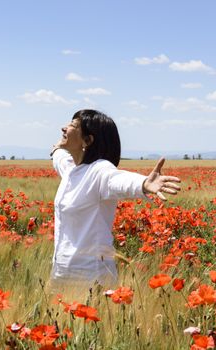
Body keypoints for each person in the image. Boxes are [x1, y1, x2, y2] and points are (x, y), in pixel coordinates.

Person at [49, 109, 181, 289]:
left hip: (90, 278)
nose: (64, 128)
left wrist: (143, 183)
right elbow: (60, 159)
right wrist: (57, 149)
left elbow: (117, 180)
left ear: (88, 140)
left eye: (72, 126)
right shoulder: (71, 170)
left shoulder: (99, 171)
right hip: (60, 272)